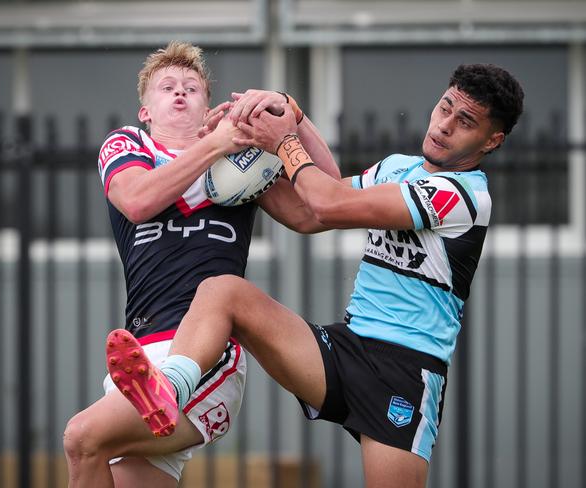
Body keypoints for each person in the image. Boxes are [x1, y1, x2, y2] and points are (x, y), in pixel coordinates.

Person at [106, 63, 524, 488]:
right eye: (445, 107)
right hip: (347, 347)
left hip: (404, 370)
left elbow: (329, 206)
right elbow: (307, 210)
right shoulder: (400, 167)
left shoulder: (465, 197)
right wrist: (270, 130)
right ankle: (169, 390)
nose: (445, 125)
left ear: (493, 139)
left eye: (465, 121)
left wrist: (284, 139)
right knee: (223, 291)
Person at [63, 41, 340, 488]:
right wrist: (215, 143)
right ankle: (159, 392)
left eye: (191, 88)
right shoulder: (129, 145)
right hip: (139, 360)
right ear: (145, 111)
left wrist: (294, 117)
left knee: (82, 437)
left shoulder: (242, 162)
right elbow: (136, 201)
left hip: (204, 356)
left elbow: (321, 209)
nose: (179, 94)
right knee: (100, 458)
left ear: (208, 105)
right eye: (167, 87)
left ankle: (172, 387)